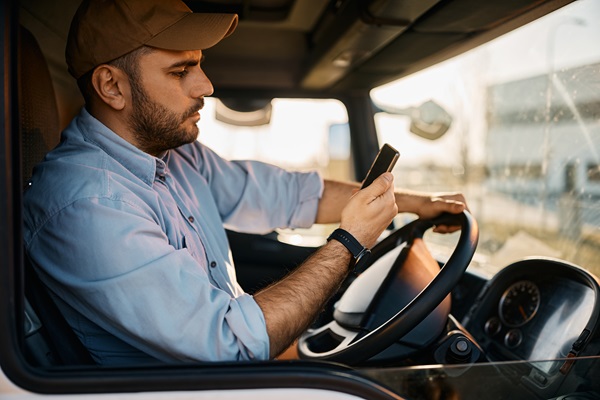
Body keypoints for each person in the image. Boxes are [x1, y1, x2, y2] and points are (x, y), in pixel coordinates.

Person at [22, 0, 468, 365]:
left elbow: (288, 195)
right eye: (180, 72)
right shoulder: (87, 204)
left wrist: (413, 202)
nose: (207, 85)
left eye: (199, 66)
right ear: (111, 87)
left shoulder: (173, 155)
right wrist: (350, 241)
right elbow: (231, 344)